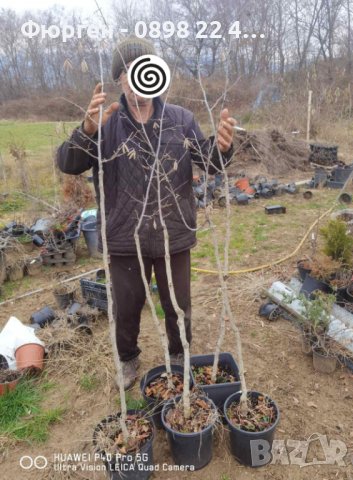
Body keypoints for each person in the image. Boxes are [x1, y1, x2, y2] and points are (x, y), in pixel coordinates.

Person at [57, 36, 236, 389]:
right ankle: (128, 360)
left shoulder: (180, 120)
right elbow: (69, 162)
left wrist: (223, 147)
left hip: (174, 234)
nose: (135, 77)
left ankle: (179, 355)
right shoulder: (105, 124)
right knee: (126, 308)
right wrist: (87, 130)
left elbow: (208, 161)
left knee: (178, 306)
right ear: (119, 79)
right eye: (126, 70)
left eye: (143, 66)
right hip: (125, 238)